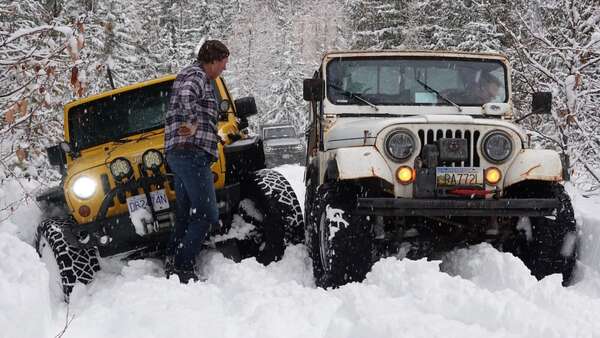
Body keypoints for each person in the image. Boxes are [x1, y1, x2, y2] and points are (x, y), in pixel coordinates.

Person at [163, 40, 229, 283]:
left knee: (185, 213)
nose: (224, 68)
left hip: (181, 154)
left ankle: (173, 258)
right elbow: (186, 95)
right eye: (223, 62)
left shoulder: (194, 74)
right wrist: (191, 121)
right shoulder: (197, 75)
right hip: (190, 153)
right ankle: (182, 267)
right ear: (213, 60)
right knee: (205, 214)